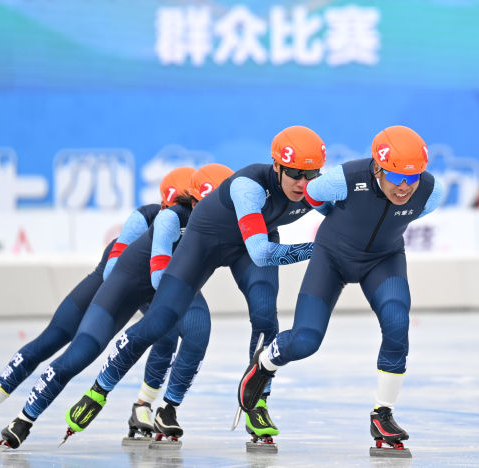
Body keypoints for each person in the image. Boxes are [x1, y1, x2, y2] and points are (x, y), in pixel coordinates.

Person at [55, 125, 327, 449]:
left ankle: (252, 403)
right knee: (160, 321)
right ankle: (99, 389)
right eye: (295, 173)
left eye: (312, 174)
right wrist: (318, 249)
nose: (303, 183)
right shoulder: (249, 187)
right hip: (209, 242)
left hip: (250, 243)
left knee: (265, 315)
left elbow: (349, 214)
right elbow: (261, 253)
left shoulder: (316, 187)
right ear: (277, 166)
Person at [237, 125, 444, 456]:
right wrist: (337, 218)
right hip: (332, 258)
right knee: (306, 341)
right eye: (396, 177)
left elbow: (405, 211)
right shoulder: (345, 178)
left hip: (383, 260)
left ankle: (383, 414)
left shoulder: (431, 191)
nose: (405, 187)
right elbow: (313, 194)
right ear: (378, 169)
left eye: (412, 177)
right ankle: (264, 363)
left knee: (397, 322)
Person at [0, 163, 235, 449]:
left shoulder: (223, 223)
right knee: (80, 354)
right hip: (129, 287)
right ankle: (25, 418)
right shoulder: (166, 218)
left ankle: (163, 408)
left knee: (197, 329)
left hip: (170, 284)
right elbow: (156, 278)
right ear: (190, 202)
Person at [0, 166, 196, 439]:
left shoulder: (194, 225)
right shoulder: (147, 217)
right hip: (110, 284)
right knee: (54, 340)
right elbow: (113, 272)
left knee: (167, 334)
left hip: (140, 289)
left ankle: (143, 405)